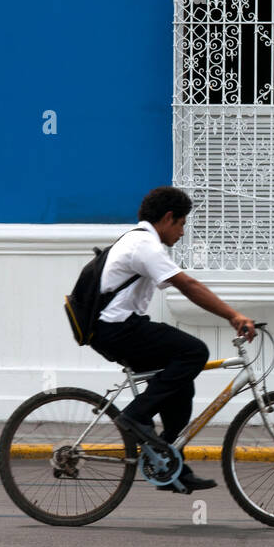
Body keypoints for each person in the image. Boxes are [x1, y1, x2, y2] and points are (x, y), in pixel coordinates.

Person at [90, 186, 255, 492]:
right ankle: (135, 416)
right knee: (194, 351)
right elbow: (188, 285)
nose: (181, 232)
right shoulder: (144, 245)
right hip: (117, 329)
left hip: (117, 328)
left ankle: (167, 462)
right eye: (181, 224)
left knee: (181, 382)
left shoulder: (138, 240)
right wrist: (234, 316)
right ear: (168, 218)